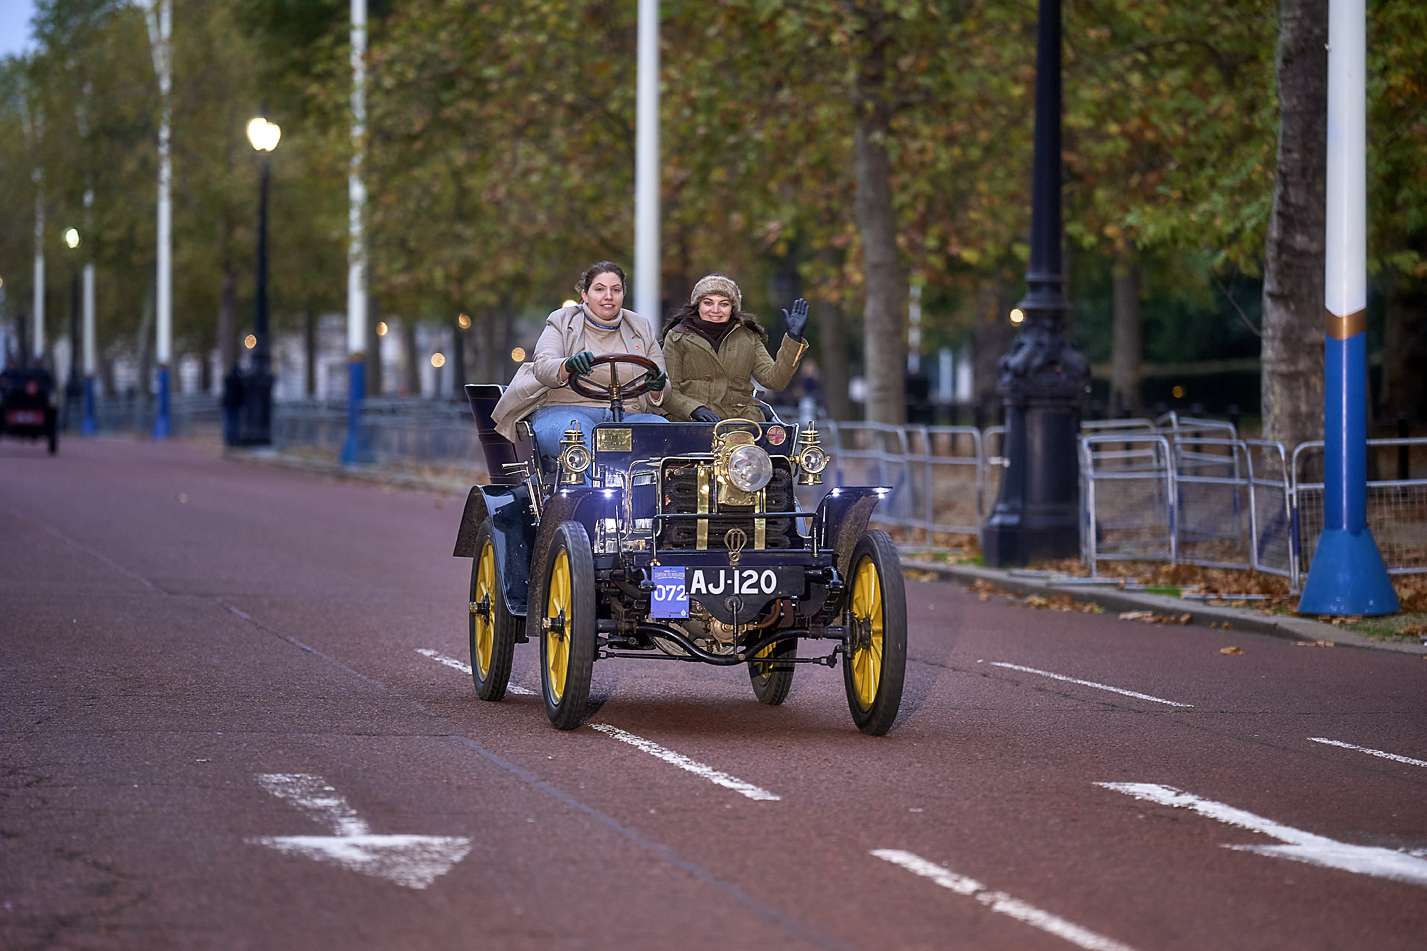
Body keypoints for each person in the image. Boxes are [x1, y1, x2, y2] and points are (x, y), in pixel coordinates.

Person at [491, 261, 668, 467]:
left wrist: (657, 388)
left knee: (662, 431)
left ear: (623, 294)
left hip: (627, 416)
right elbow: (543, 366)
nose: (608, 296)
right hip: (564, 412)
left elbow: (662, 379)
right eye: (599, 289)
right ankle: (594, 496)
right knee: (578, 434)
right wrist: (568, 365)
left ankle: (648, 495)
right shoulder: (561, 321)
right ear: (585, 294)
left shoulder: (640, 327)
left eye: (616, 290)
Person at [659, 274, 810, 423]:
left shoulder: (748, 337)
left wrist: (793, 338)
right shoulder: (677, 336)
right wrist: (694, 409)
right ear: (698, 305)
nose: (715, 310)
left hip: (742, 423)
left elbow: (775, 381)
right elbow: (668, 390)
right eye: (708, 303)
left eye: (724, 304)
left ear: (733, 308)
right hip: (692, 423)